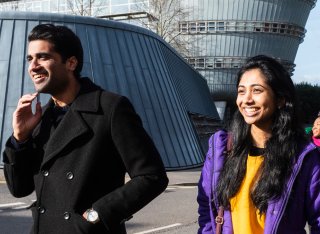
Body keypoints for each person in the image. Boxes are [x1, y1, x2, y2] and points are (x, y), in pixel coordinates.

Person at [2, 24, 168, 234]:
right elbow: (19, 189)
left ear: (71, 63)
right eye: (30, 59)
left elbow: (151, 176)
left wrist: (96, 215)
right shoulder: (41, 117)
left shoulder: (109, 108)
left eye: (43, 57)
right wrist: (20, 137)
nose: (33, 66)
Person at [197, 55, 320, 234]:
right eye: (241, 91)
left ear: (280, 99)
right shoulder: (221, 149)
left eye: (257, 90)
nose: (246, 99)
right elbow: (207, 210)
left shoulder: (304, 157)